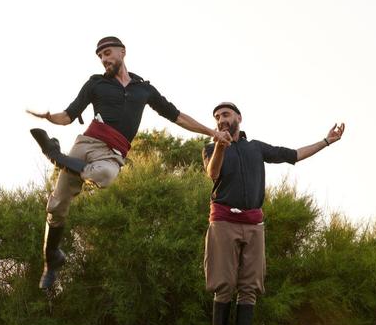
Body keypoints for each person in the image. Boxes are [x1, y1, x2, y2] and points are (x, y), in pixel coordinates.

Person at [28, 36, 230, 290]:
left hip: (112, 153)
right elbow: (68, 115)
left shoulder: (143, 89)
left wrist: (212, 133)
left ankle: (56, 156)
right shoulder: (95, 84)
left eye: (108, 53)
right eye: (100, 56)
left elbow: (177, 116)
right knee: (56, 205)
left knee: (105, 176)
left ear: (122, 52)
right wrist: (49, 117)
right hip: (86, 144)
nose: (104, 59)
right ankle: (51, 260)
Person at [202, 101, 345, 325]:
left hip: (254, 224)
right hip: (223, 221)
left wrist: (326, 141)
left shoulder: (256, 148)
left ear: (239, 118)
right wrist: (221, 147)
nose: (221, 119)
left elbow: (294, 155)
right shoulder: (211, 148)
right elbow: (213, 174)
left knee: (250, 286)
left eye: (225, 114)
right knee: (223, 283)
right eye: (216, 117)